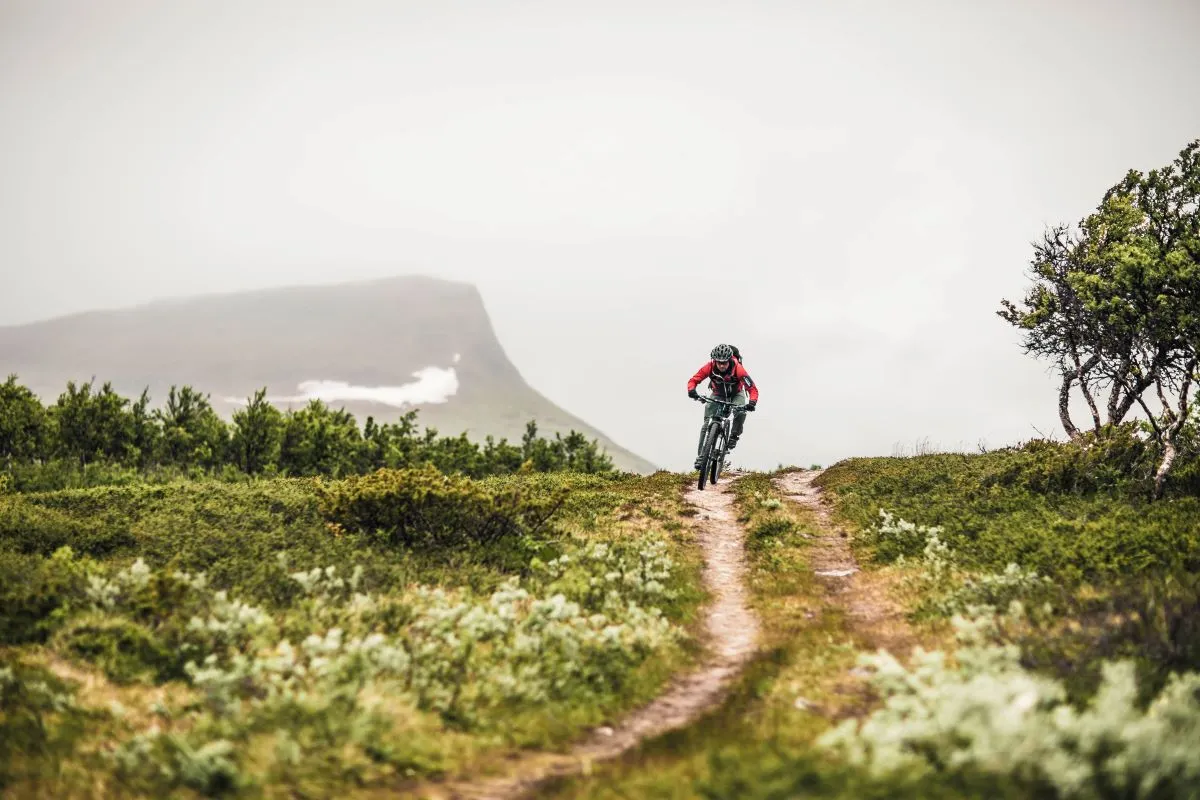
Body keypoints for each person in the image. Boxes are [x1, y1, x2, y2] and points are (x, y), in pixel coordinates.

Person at [687, 343, 758, 469]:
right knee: (706, 424)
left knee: (740, 412)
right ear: (714, 360)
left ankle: (733, 436)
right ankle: (701, 457)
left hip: (736, 394)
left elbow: (752, 388)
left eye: (724, 362)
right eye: (719, 362)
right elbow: (693, 380)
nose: (721, 365)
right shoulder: (709, 367)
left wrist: (752, 402)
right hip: (717, 394)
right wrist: (692, 391)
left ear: (729, 360)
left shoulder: (738, 369)